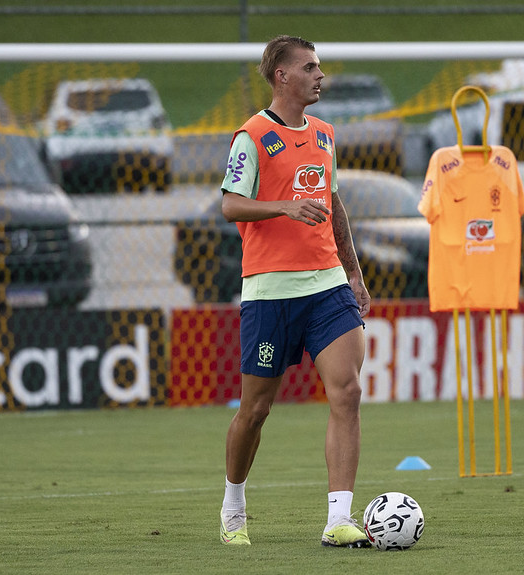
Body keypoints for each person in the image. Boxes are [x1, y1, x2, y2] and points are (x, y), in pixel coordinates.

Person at [218, 35, 371, 548]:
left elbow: (333, 203)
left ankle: (339, 518)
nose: (319, 75)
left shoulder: (325, 134)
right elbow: (231, 207)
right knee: (256, 409)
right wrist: (283, 206)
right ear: (282, 76)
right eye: (310, 67)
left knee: (346, 391)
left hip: (327, 285)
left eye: (319, 67)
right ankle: (234, 503)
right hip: (269, 293)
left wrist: (353, 272)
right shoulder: (253, 136)